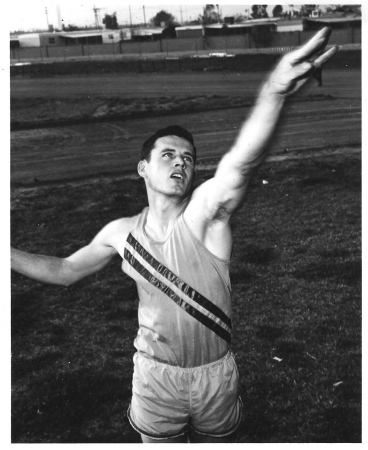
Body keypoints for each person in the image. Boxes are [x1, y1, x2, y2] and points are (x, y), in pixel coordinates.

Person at [11, 28, 337, 444]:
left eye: (188, 158)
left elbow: (239, 164)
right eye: (167, 155)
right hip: (154, 377)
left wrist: (273, 90)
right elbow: (63, 270)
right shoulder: (121, 232)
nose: (180, 163)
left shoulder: (205, 216)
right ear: (143, 168)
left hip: (214, 375)